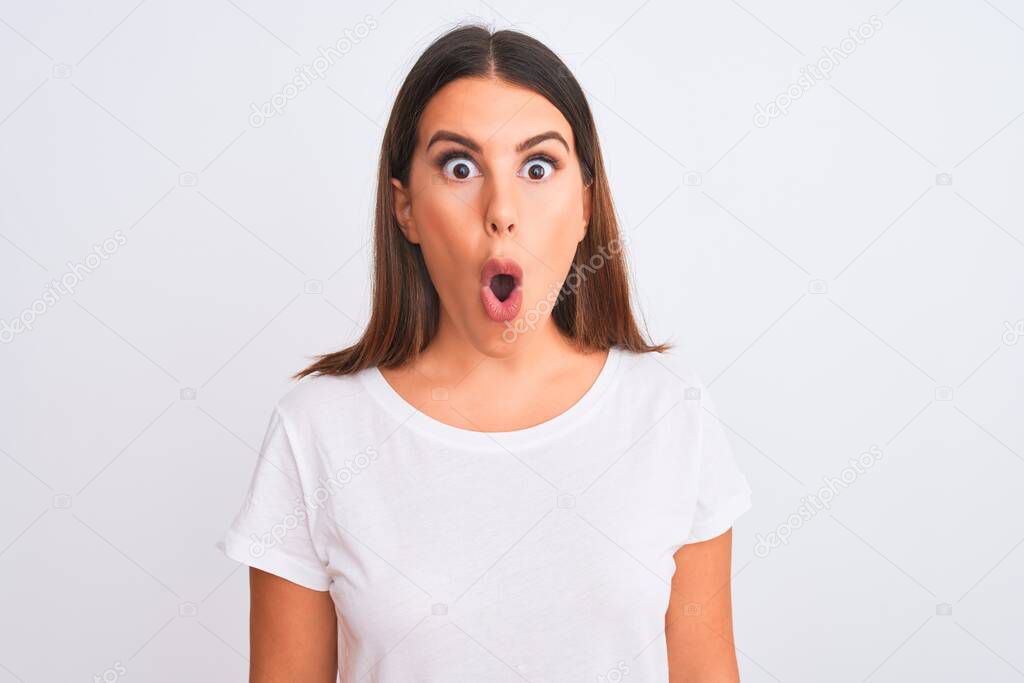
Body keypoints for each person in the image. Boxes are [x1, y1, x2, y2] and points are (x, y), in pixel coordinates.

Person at [222, 22, 753, 682]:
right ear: (406, 208)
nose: (501, 210)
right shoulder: (317, 430)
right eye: (460, 166)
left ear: (584, 205)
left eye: (537, 167)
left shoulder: (670, 412)